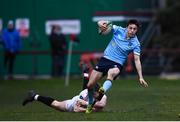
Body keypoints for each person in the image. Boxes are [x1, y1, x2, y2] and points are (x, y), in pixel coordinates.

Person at [85, 19, 148, 114]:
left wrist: (141, 77)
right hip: (105, 60)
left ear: (137, 30)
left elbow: (137, 60)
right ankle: (90, 104)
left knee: (111, 74)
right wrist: (100, 24)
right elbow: (103, 23)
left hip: (117, 63)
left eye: (134, 29)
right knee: (90, 85)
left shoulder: (136, 43)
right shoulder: (118, 29)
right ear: (127, 27)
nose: (132, 30)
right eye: (130, 28)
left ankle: (103, 90)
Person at [22, 84, 107, 113]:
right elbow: (76, 109)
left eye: (98, 93)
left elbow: (102, 105)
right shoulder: (84, 93)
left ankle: (85, 72)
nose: (97, 95)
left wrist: (88, 105)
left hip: (84, 103)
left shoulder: (102, 95)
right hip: (72, 103)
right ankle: (34, 96)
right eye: (95, 93)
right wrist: (89, 110)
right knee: (56, 104)